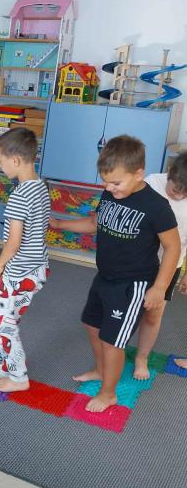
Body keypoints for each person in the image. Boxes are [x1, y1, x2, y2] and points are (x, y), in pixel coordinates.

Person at [50, 135, 180, 412]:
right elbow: (95, 223)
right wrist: (60, 223)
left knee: (113, 342)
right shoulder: (111, 193)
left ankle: (108, 393)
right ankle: (100, 371)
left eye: (116, 183)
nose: (109, 188)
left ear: (138, 173)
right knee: (92, 325)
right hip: (105, 277)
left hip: (133, 284)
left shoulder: (156, 206)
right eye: (105, 182)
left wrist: (159, 287)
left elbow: (173, 247)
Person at [0, 127, 50, 392]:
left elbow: (14, 242)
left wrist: (0, 262)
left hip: (19, 272)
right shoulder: (41, 187)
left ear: (16, 160)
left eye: (1, 160)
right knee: (4, 321)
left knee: (4, 326)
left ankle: (19, 378)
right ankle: (6, 367)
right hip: (36, 268)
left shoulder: (19, 196)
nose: (0, 166)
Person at [132, 152, 187, 377]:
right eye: (176, 188)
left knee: (153, 314)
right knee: (125, 308)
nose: (179, 195)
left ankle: (142, 357)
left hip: (169, 265)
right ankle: (110, 350)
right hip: (137, 259)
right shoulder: (151, 183)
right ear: (170, 173)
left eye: (185, 193)